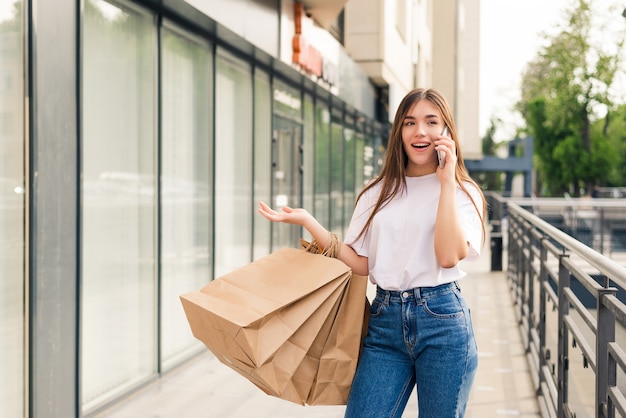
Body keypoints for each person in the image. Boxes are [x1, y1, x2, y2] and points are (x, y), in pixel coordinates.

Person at [258, 87, 486, 418]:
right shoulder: (377, 192)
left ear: (446, 131)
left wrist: (447, 182)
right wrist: (311, 223)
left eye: (431, 122)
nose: (420, 131)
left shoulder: (464, 193)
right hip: (385, 321)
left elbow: (448, 257)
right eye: (409, 123)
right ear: (399, 132)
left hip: (443, 322)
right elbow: (363, 264)